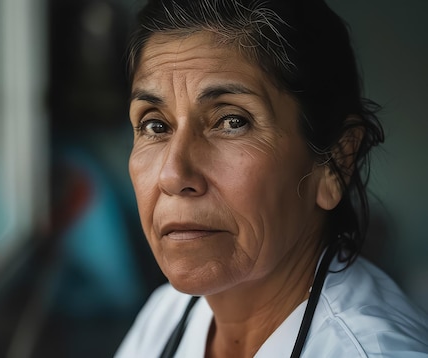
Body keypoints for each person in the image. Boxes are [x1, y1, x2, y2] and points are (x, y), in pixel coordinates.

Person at [114, 0, 428, 357]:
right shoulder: (166, 317)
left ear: (335, 162)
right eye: (155, 125)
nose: (173, 175)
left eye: (232, 121)